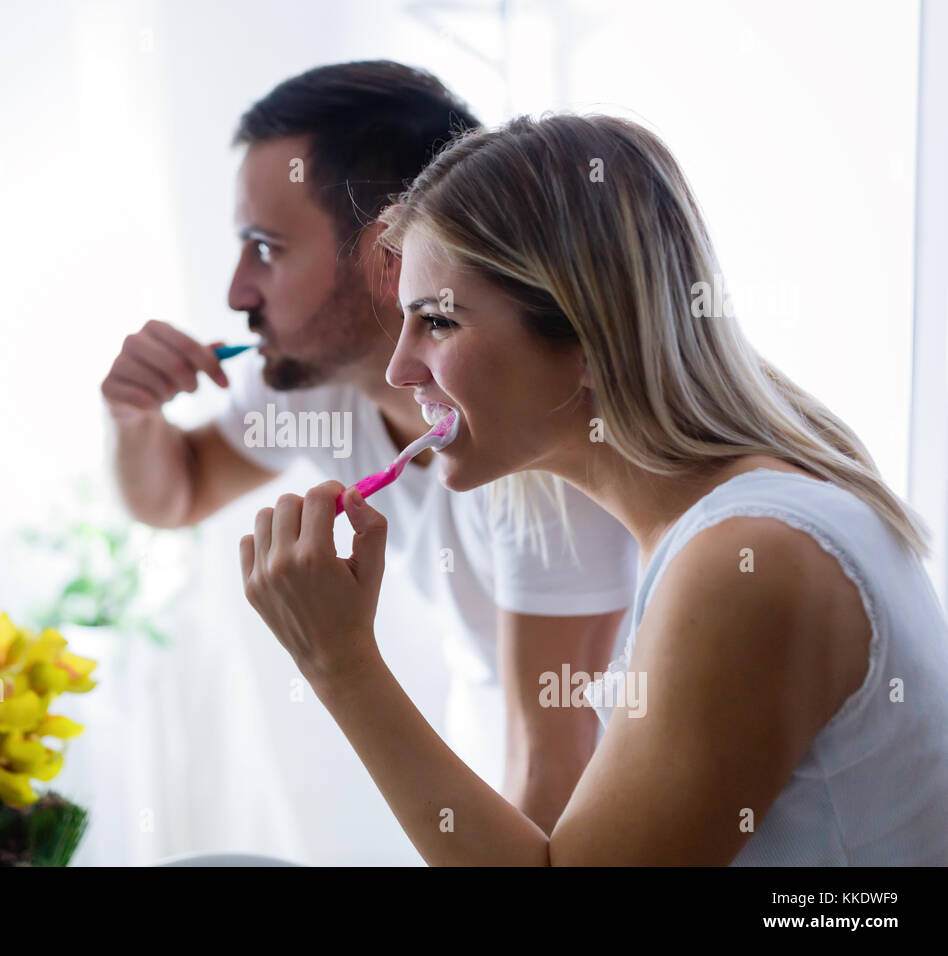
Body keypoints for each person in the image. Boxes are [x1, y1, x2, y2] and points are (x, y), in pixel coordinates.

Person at [237, 112, 948, 865]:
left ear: (588, 339)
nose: (400, 370)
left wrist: (339, 663)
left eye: (439, 322)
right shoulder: (738, 526)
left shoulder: (751, 559)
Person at [101, 63, 638, 833]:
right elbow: (176, 494)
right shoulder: (312, 376)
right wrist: (132, 418)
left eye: (266, 247)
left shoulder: (534, 442)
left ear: (388, 252)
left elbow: (557, 760)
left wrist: (334, 659)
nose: (236, 293)